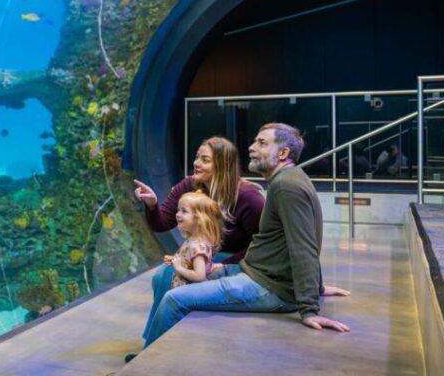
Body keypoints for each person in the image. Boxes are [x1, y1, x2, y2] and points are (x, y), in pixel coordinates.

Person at [143, 123, 350, 349]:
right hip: (255, 271)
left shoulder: (284, 187)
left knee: (175, 299)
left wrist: (309, 306)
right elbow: (294, 240)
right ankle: (159, 347)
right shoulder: (285, 181)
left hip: (268, 286)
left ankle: (149, 362)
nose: (251, 147)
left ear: (283, 153)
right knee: (167, 274)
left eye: (262, 143)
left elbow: (303, 246)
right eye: (254, 141)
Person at [133, 136, 264, 345]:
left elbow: (261, 243)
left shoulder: (249, 197)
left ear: (222, 165)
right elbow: (162, 223)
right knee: (162, 276)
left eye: (205, 159)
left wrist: (225, 264)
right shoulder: (189, 185)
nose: (196, 163)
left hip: (237, 260)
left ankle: (161, 341)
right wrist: (152, 205)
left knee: (170, 276)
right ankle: (155, 340)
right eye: (196, 157)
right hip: (205, 256)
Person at [167, 191, 224, 289]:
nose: (177, 214)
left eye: (184, 211)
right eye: (178, 209)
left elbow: (199, 276)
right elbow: (191, 264)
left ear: (199, 219)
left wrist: (179, 268)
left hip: (187, 294)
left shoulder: (197, 246)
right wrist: (176, 261)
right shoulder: (193, 240)